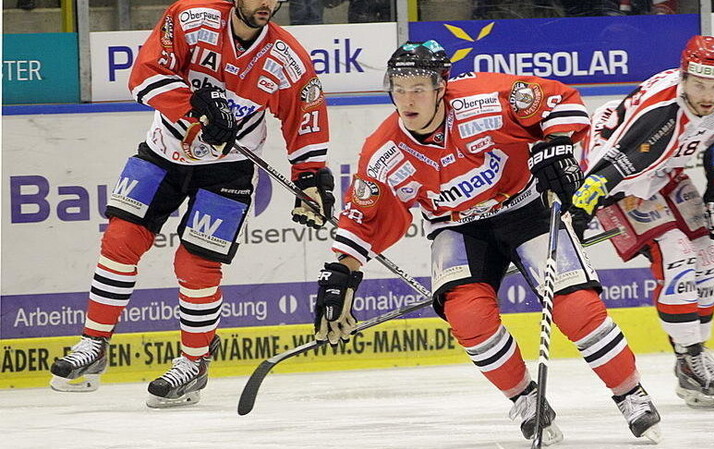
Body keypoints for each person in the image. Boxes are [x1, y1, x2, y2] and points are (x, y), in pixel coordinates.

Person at [311, 40, 661, 444]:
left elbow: (559, 101)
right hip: (457, 227)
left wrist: (557, 146)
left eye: (419, 87)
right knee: (468, 317)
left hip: (525, 207)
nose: (408, 99)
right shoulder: (383, 152)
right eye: (399, 88)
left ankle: (629, 393)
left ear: (441, 86)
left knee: (576, 307)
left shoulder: (486, 98)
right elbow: (366, 218)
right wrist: (342, 271)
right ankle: (527, 400)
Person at [49, 0, 334, 408]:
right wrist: (194, 109)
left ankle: (193, 362)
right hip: (163, 150)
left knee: (196, 264)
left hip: (229, 169)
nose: (266, 4)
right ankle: (93, 343)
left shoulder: (287, 60)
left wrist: (309, 176)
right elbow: (145, 74)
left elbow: (305, 118)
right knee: (120, 240)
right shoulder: (190, 17)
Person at [569, 35, 714, 408]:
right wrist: (582, 209)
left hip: (662, 169)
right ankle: (691, 358)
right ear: (683, 78)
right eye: (699, 84)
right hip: (618, 180)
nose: (708, 94)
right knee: (677, 254)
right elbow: (606, 169)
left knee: (709, 258)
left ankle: (693, 357)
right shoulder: (658, 116)